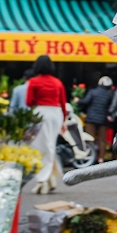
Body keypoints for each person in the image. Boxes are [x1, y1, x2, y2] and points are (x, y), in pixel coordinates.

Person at [25, 55, 68, 195]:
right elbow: (63, 103)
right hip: (56, 115)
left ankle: (43, 180)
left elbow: (29, 102)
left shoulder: (33, 82)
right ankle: (50, 178)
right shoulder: (58, 82)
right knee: (49, 145)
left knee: (40, 147)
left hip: (41, 114)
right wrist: (64, 122)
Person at [78, 77, 114, 163]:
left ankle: (89, 157)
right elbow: (110, 107)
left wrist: (78, 100)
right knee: (102, 140)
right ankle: (101, 158)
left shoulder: (92, 92)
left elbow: (86, 101)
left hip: (91, 119)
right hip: (102, 120)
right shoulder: (109, 95)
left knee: (89, 138)